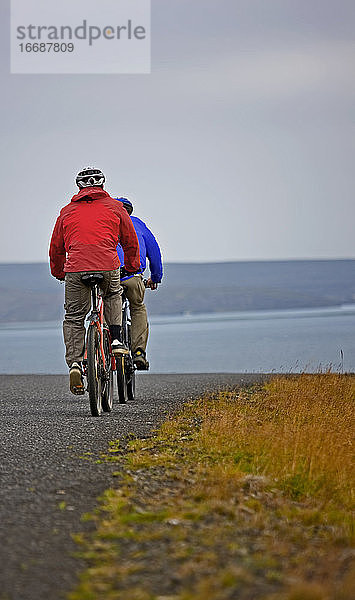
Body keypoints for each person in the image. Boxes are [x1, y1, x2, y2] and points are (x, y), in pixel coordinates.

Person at [49, 168, 140, 394]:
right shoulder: (117, 208)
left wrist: (59, 272)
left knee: (74, 317)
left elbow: (56, 248)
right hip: (108, 265)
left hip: (76, 269)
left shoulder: (66, 212)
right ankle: (117, 341)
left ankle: (76, 363)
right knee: (112, 294)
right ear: (102, 186)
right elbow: (130, 241)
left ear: (79, 187)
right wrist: (132, 266)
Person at [116, 197, 163, 370]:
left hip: (110, 276)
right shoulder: (138, 224)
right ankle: (138, 352)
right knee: (137, 307)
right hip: (133, 276)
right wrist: (156, 277)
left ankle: (108, 345)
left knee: (108, 306)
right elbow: (154, 253)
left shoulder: (104, 225)